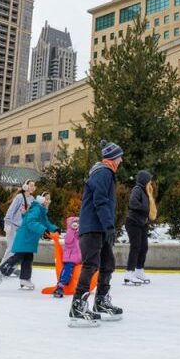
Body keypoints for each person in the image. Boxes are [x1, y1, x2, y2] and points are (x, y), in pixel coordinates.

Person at [68, 140, 124, 327]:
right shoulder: (103, 172)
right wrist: (109, 225)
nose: (121, 160)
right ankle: (78, 306)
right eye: (119, 157)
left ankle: (101, 301)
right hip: (93, 226)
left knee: (108, 264)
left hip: (100, 227)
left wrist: (108, 227)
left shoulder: (106, 173)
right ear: (112, 159)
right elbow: (100, 201)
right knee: (91, 265)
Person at [0, 193, 57, 289]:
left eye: (49, 199)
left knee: (28, 258)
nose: (49, 201)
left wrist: (55, 229)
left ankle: (25, 279)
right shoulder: (36, 209)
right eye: (46, 199)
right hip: (25, 238)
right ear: (42, 200)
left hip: (29, 239)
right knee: (17, 257)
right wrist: (43, 230)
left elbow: (46, 223)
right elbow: (31, 222)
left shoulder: (41, 211)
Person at [124, 169, 154, 286]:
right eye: (149, 180)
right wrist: (146, 209)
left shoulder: (146, 191)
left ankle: (139, 270)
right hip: (133, 222)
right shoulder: (137, 190)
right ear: (144, 181)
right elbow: (133, 203)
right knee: (135, 247)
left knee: (144, 247)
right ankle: (129, 273)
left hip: (142, 223)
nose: (150, 183)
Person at [4, 180, 36, 265]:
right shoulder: (19, 197)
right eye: (31, 185)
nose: (33, 187)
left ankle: (12, 268)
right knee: (11, 248)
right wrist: (7, 223)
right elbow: (11, 210)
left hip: (23, 228)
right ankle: (2, 267)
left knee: (18, 249)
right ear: (25, 186)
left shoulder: (32, 199)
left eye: (34, 186)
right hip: (13, 225)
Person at [53, 216, 81, 298]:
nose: (76, 225)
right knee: (68, 269)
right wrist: (72, 230)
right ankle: (60, 286)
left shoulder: (79, 234)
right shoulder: (70, 232)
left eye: (78, 223)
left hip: (79, 258)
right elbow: (68, 241)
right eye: (74, 223)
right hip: (70, 258)